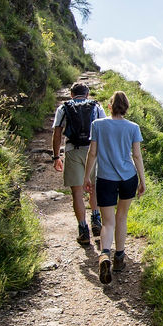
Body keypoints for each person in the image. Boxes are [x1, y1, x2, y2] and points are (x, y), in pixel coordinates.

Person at [83, 91, 146, 285]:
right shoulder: (133, 127)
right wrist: (142, 180)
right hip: (128, 177)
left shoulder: (98, 125)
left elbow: (92, 153)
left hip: (105, 178)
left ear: (110, 106)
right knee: (122, 217)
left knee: (108, 222)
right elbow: (136, 156)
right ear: (126, 107)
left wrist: (86, 176)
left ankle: (104, 255)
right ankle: (119, 257)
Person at [52, 83, 105, 245]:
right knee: (94, 187)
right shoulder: (96, 107)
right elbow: (104, 129)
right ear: (87, 94)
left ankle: (83, 230)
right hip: (93, 151)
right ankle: (96, 219)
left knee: (77, 192)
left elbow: (57, 133)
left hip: (73, 150)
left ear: (71, 94)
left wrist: (56, 157)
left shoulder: (63, 108)